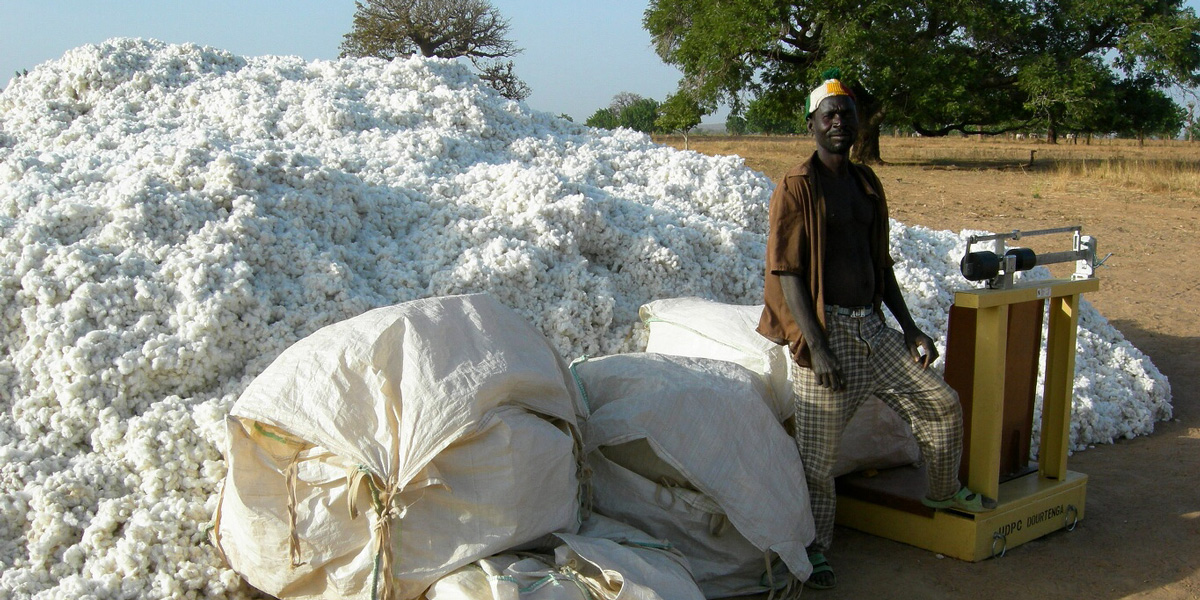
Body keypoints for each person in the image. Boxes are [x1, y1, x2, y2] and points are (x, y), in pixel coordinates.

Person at [756, 74, 995, 591]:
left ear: (857, 121)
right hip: (828, 334)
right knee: (817, 461)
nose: (839, 121)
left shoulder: (866, 182)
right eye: (829, 115)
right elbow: (788, 272)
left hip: (874, 327)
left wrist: (909, 328)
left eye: (847, 113)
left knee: (941, 402)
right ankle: (816, 548)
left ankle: (941, 491)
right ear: (812, 125)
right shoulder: (798, 185)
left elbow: (879, 262)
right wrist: (816, 347)